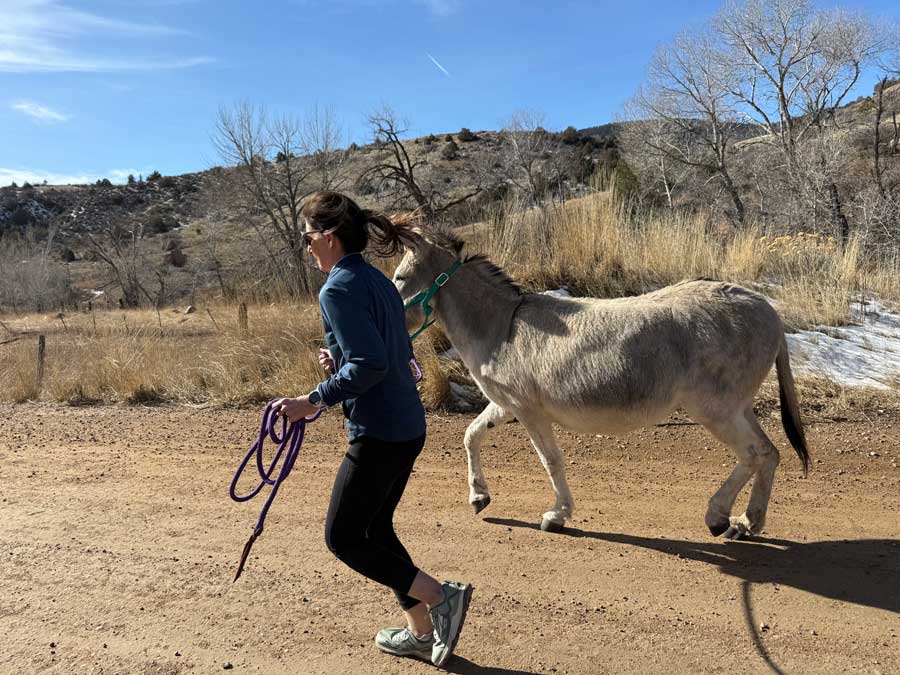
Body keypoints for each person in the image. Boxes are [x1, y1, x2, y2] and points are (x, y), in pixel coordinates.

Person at [273, 191, 473, 667]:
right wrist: (338, 361)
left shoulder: (337, 289)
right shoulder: (376, 281)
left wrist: (311, 401)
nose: (305, 247)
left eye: (307, 237)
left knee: (342, 537)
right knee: (376, 528)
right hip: (406, 425)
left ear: (328, 237)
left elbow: (372, 362)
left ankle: (441, 597)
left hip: (379, 430)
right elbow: (385, 352)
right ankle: (421, 633)